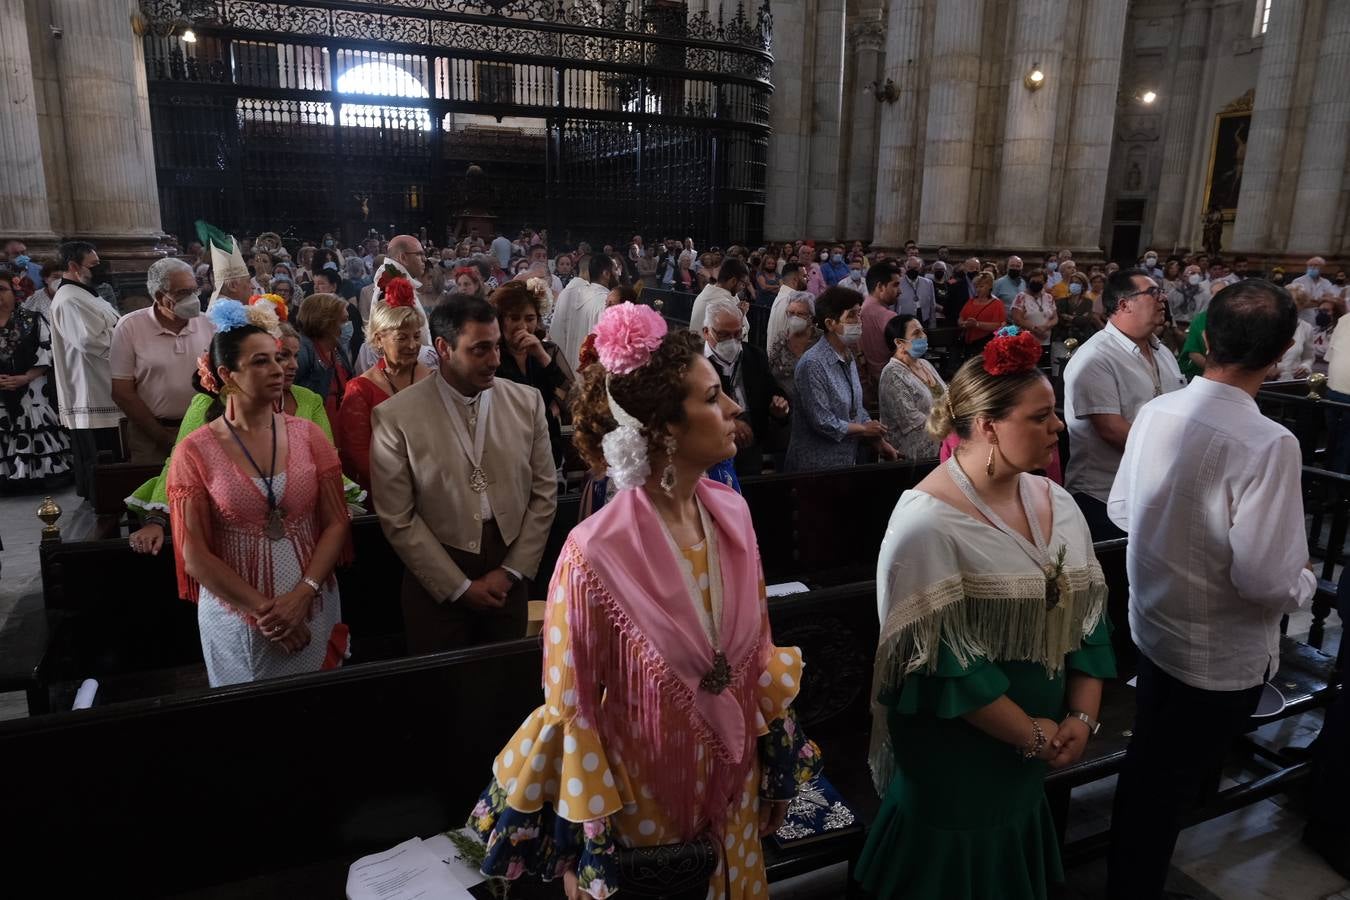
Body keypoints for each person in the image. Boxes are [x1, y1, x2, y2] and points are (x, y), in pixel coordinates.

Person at [467, 302, 819, 899]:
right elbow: (572, 705)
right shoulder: (593, 553)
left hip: (732, 786)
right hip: (645, 802)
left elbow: (757, 652)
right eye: (711, 398)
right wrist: (586, 841)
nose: (732, 409)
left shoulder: (731, 512)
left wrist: (776, 768)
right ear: (663, 428)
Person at [857, 327, 1114, 900]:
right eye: (1041, 416)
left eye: (1056, 414)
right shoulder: (928, 524)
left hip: (1037, 744)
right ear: (988, 425)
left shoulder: (1058, 502)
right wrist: (1032, 734)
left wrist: (1081, 717)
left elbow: (1090, 619)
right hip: (961, 753)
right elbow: (942, 664)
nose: (1058, 428)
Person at [1105, 279, 1314, 900]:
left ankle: (1128, 878)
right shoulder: (1268, 442)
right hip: (1217, 658)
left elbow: (1122, 509)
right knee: (1162, 787)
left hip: (1154, 629)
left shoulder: (1155, 412)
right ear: (1279, 355)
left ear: (1206, 338)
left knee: (1150, 775)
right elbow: (1263, 576)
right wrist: (1301, 584)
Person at [167, 300, 352, 687]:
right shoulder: (196, 450)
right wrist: (266, 614)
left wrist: (304, 594)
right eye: (261, 362)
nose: (280, 369)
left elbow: (336, 522)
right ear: (226, 374)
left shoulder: (307, 434)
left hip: (311, 602)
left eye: (280, 358)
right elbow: (195, 554)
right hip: (238, 613)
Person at [370, 294, 557, 653]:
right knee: (443, 697)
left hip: (509, 570)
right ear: (443, 348)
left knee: (505, 688)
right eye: (480, 349)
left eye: (497, 347)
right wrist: (458, 586)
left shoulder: (526, 401)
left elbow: (545, 492)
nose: (495, 360)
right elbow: (397, 516)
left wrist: (512, 571)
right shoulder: (396, 416)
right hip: (437, 577)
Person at [127, 317, 362, 555]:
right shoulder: (208, 404)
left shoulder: (308, 400)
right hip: (233, 530)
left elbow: (326, 461)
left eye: (293, 356)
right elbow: (178, 465)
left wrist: (336, 504)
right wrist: (156, 520)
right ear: (229, 372)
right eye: (278, 357)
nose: (289, 366)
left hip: (300, 524)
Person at [1062, 269, 1185, 540]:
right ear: (1123, 304)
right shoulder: (1096, 358)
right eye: (1153, 293)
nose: (1163, 298)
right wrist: (1180, 455)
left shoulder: (1162, 351)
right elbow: (1112, 430)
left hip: (1155, 492)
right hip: (1104, 495)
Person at [110, 258, 216, 466]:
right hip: (150, 436)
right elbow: (122, 391)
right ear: (160, 296)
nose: (193, 298)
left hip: (203, 430)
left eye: (194, 290)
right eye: (183, 293)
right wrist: (162, 437)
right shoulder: (130, 327)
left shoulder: (208, 324)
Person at [336, 278, 432, 500]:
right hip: (387, 495)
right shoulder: (361, 390)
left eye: (416, 336)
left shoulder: (434, 378)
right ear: (379, 339)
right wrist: (403, 487)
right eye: (402, 338)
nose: (412, 345)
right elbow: (358, 454)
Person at [785, 287, 898, 471]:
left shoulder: (847, 355)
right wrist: (863, 430)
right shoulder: (813, 363)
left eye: (859, 314)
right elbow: (822, 421)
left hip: (845, 460)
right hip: (816, 465)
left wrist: (877, 440)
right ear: (830, 323)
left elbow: (856, 409)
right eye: (852, 315)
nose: (859, 321)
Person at [48, 241, 124, 500]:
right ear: (72, 266)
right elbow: (90, 341)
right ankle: (106, 506)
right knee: (102, 459)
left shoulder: (86, 293)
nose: (99, 269)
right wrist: (127, 337)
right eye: (93, 265)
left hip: (102, 381)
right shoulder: (69, 299)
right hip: (90, 390)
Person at [702, 297, 789, 475]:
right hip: (711, 448)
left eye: (737, 334)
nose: (731, 341)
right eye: (723, 335)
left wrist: (780, 407)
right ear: (706, 332)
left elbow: (773, 392)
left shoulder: (754, 355)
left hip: (750, 443)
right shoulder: (695, 363)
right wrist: (729, 423)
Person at [0, 278, 70, 486]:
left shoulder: (32, 320)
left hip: (31, 387)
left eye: (2, 290)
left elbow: (48, 352)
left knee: (34, 423)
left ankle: (38, 476)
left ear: (14, 293)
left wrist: (25, 377)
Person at [493, 280, 570, 468]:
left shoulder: (549, 351)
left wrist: (542, 356)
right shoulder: (494, 354)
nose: (523, 326)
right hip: (506, 445)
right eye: (514, 318)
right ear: (502, 320)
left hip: (545, 441)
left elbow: (571, 395)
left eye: (529, 319)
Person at [877, 314, 946, 461]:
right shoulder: (892, 374)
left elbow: (947, 398)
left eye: (922, 331)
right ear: (899, 343)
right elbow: (912, 422)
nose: (923, 336)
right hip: (909, 458)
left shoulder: (924, 364)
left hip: (939, 446)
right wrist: (949, 428)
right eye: (916, 333)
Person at [294, 292, 355, 423]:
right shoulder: (303, 350)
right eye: (343, 321)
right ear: (326, 322)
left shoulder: (337, 348)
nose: (348, 325)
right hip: (314, 424)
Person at [550, 253, 613, 372]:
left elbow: (555, 334)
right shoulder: (603, 300)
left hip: (566, 367)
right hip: (589, 371)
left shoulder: (565, 293)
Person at [859, 262, 901, 408]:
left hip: (867, 385)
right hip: (891, 385)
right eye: (895, 285)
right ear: (880, 287)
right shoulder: (888, 316)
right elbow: (905, 356)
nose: (900, 291)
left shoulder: (860, 311)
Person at [769, 294, 818, 406]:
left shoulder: (820, 341)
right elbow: (770, 372)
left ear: (811, 316)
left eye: (800, 314)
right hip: (785, 407)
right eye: (791, 313)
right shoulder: (780, 340)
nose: (794, 317)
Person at [688, 258, 749, 338]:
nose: (743, 288)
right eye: (743, 283)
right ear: (733, 281)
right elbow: (736, 336)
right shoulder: (722, 302)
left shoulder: (710, 290)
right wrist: (741, 313)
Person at [765, 262, 809, 351]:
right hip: (784, 358)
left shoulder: (783, 297)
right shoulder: (790, 300)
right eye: (804, 276)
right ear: (795, 280)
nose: (808, 279)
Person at [1010, 269, 1057, 349]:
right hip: (1026, 342)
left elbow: (1055, 318)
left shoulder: (1049, 297)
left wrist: (1045, 327)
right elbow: (1017, 319)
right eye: (1033, 280)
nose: (1036, 283)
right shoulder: (1021, 297)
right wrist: (1035, 329)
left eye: (1039, 281)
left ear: (1044, 282)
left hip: (1045, 342)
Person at [958, 271, 1006, 349]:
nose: (978, 289)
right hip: (968, 343)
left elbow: (998, 325)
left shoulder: (997, 304)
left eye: (981, 286)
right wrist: (964, 324)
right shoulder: (970, 301)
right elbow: (960, 318)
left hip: (986, 343)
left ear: (990, 286)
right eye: (976, 287)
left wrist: (977, 324)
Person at [1291, 255, 1340, 323]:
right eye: (1310, 265)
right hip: (1302, 319)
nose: (1312, 267)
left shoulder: (1326, 282)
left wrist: (1313, 300)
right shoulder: (1298, 281)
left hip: (1320, 321)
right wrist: (1321, 300)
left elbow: (1331, 300)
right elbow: (1299, 301)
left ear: (1322, 268)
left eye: (1316, 265)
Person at [895, 256, 936, 329]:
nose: (912, 270)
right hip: (904, 322)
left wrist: (933, 324)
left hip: (923, 320)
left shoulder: (928, 283)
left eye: (915, 268)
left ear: (920, 268)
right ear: (905, 267)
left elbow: (932, 305)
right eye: (909, 268)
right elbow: (892, 306)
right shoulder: (898, 283)